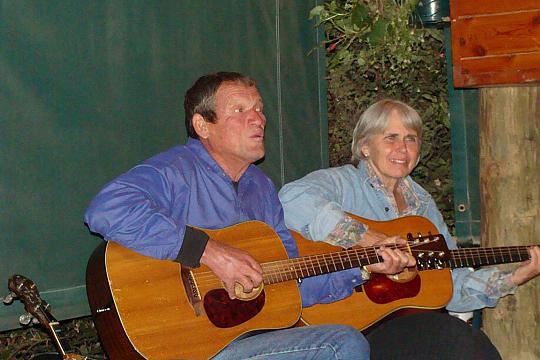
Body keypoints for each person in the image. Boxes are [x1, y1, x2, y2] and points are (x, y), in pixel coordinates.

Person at [84, 72, 370, 359]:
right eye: (239, 110)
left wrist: (364, 267)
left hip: (242, 339)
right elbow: (107, 209)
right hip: (185, 345)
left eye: (259, 108)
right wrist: (208, 251)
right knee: (341, 344)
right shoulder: (176, 170)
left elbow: (289, 281)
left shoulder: (261, 187)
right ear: (203, 125)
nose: (258, 119)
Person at [278, 98, 540, 359]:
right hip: (341, 323)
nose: (402, 149)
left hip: (401, 326)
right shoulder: (342, 183)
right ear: (365, 146)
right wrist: (366, 239)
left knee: (468, 343)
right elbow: (291, 199)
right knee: (454, 338)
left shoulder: (423, 207)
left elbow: (452, 285)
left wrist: (514, 277)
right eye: (391, 138)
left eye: (411, 139)